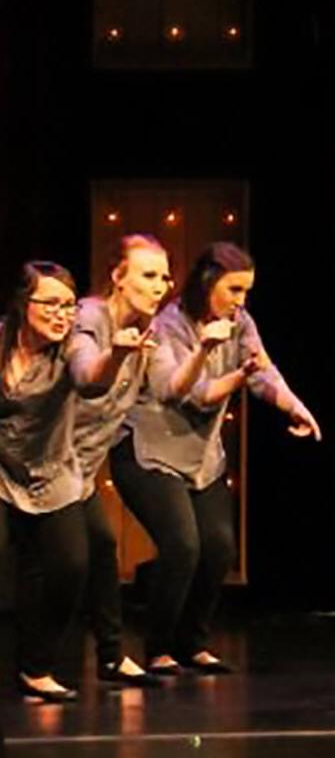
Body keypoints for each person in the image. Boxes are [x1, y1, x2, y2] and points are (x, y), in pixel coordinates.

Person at [110, 242, 321, 675]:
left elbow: (263, 369)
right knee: (183, 545)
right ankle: (159, 646)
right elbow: (191, 394)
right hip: (150, 451)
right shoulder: (168, 325)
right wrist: (225, 366)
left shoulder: (239, 321)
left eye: (246, 291)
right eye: (235, 289)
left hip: (202, 457)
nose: (241, 301)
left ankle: (192, 641)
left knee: (219, 548)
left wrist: (292, 404)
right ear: (208, 283)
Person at [1, 261, 149, 701]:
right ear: (23, 304)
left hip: (53, 470)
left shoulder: (71, 348)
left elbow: (90, 379)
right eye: (51, 303)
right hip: (1, 468)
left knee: (70, 566)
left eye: (69, 304)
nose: (62, 313)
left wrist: (117, 354)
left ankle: (37, 667)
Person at [70, 235, 178, 688]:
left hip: (78, 468)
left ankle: (110, 657)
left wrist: (211, 354)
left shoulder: (149, 330)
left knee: (98, 548)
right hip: (33, 459)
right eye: (148, 275)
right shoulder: (90, 317)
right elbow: (86, 378)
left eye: (164, 277)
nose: (160, 286)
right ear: (118, 277)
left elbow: (173, 387)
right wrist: (118, 354)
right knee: (68, 559)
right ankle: (42, 665)